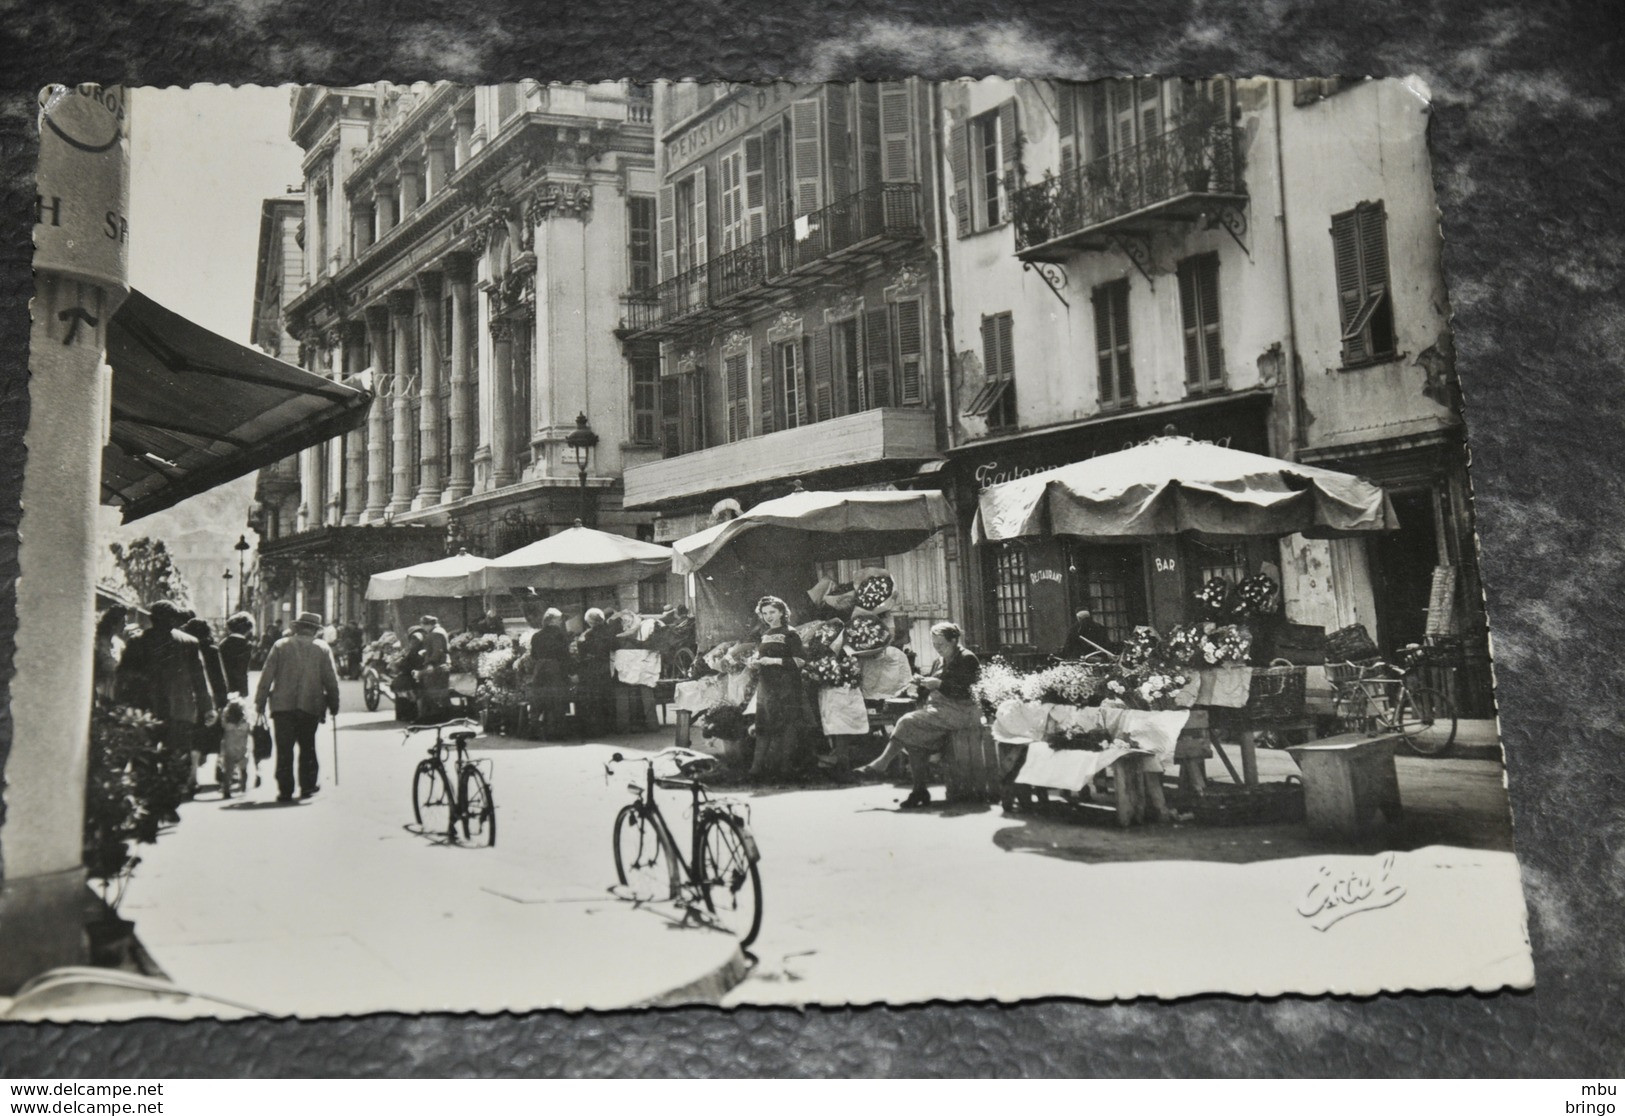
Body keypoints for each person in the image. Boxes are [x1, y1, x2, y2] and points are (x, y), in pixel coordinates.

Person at [859, 621, 981, 809]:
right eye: (934, 644)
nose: (937, 649)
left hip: (961, 711)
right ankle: (919, 791)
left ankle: (882, 763)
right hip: (939, 712)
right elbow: (927, 690)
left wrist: (939, 684)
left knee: (908, 722)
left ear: (955, 640)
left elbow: (967, 690)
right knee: (914, 742)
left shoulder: (967, 658)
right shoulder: (938, 661)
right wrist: (919, 684)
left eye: (941, 644)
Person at [115, 599, 215, 807]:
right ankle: (171, 801)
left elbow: (123, 678)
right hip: (180, 710)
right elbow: (200, 681)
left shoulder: (137, 642)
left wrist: (120, 706)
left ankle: (147, 800)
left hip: (144, 712)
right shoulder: (189, 642)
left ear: (151, 619)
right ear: (173, 619)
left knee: (144, 758)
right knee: (176, 757)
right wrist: (207, 709)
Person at [254, 610, 341, 802]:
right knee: (307, 746)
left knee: (284, 749)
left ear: (297, 627)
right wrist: (334, 703)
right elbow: (331, 680)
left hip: (282, 706)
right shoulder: (322, 648)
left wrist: (259, 702)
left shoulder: (280, 645)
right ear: (315, 630)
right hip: (310, 706)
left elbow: (266, 676)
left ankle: (285, 789)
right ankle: (308, 786)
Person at [749, 596, 814, 781]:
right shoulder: (766, 633)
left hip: (787, 685)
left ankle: (785, 769)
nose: (768, 616)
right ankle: (756, 768)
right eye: (765, 613)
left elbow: (800, 661)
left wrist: (773, 661)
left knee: (787, 726)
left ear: (782, 612)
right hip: (767, 685)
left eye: (772, 612)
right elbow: (762, 654)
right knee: (764, 724)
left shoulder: (790, 633)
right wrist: (755, 661)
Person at [528, 608, 572, 740]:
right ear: (553, 620)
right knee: (557, 701)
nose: (560, 622)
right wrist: (569, 672)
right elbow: (565, 656)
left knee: (538, 701)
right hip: (555, 670)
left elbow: (533, 655)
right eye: (559, 619)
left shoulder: (536, 636)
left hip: (540, 670)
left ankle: (534, 732)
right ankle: (556, 732)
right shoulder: (561, 635)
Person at [574, 608, 618, 737]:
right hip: (604, 668)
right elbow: (615, 646)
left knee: (592, 699)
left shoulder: (586, 635)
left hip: (590, 669)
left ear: (589, 621)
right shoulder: (609, 633)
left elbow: (581, 652)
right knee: (606, 697)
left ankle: (594, 728)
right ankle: (608, 727)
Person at [217, 695, 252, 799]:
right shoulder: (245, 724)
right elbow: (250, 730)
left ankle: (226, 790)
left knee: (228, 770)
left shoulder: (227, 724)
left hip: (229, 748)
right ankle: (243, 787)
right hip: (242, 748)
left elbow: (222, 723)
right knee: (243, 769)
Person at [93, 605, 128, 703]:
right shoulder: (97, 642)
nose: (125, 626)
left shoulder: (120, 644)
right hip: (97, 690)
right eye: (123, 622)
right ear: (113, 624)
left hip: (114, 691)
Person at [219, 612, 255, 696]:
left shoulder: (223, 644)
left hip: (225, 685)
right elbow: (243, 668)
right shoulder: (247, 645)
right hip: (241, 686)